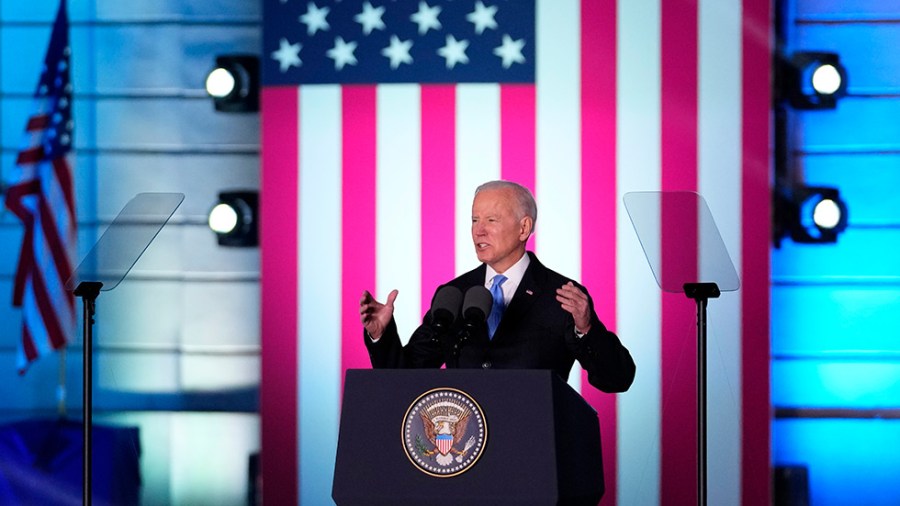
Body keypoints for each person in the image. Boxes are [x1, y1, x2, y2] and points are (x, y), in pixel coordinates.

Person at [359, 180, 635, 393]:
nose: (478, 230)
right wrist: (382, 336)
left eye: (491, 220)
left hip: (534, 450)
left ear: (523, 228)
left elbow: (617, 379)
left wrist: (586, 330)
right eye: (474, 220)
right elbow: (405, 376)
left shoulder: (562, 295)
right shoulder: (453, 294)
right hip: (463, 450)